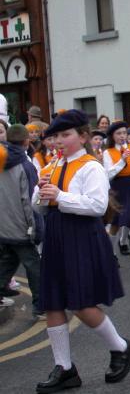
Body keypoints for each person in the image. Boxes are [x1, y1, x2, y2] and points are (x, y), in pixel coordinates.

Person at [32, 110, 130, 393]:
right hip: (56, 235)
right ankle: (64, 367)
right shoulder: (52, 166)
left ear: (82, 137)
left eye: (66, 135)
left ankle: (121, 347)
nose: (59, 141)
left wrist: (60, 196)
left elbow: (96, 206)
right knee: (52, 302)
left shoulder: (91, 166)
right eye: (56, 136)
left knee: (81, 303)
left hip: (81, 236)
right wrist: (41, 194)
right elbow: (40, 206)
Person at [0, 125, 43, 318]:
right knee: (34, 266)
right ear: (27, 141)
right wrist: (34, 229)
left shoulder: (1, 160)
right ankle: (40, 306)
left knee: (8, 261)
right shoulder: (25, 165)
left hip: (4, 224)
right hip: (21, 226)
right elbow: (29, 201)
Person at [103, 122, 130, 263]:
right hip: (118, 189)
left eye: (124, 133)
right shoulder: (108, 152)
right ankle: (112, 254)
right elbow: (108, 174)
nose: (122, 136)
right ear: (112, 136)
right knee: (116, 225)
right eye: (119, 133)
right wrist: (122, 161)